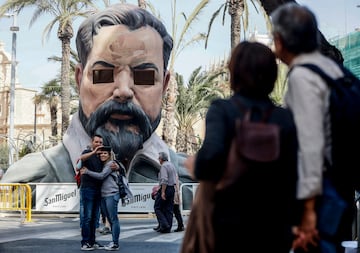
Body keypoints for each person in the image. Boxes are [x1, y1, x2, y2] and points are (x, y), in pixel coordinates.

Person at [0, 3, 194, 207]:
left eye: (144, 76)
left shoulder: (196, 182)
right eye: (103, 74)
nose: (123, 91)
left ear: (164, 85)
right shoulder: (28, 182)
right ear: (79, 79)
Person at [182, 41, 298, 253]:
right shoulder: (285, 119)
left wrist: (195, 164)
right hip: (275, 228)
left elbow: (210, 160)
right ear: (272, 75)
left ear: (234, 72)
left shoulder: (223, 111)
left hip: (228, 226)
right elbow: (295, 174)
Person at [270, 3, 356, 253]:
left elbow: (311, 145)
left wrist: (307, 210)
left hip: (322, 193)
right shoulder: (334, 70)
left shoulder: (303, 75)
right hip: (343, 185)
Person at [81, 146, 125, 251]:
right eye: (101, 153)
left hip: (111, 194)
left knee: (113, 219)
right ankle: (113, 242)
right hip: (104, 195)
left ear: (109, 155)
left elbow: (101, 176)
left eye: (105, 153)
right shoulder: (104, 164)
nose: (103, 155)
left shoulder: (111, 164)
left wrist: (87, 172)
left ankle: (115, 243)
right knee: (109, 219)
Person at [77, 134, 106, 250]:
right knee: (87, 217)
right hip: (87, 189)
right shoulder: (87, 152)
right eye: (96, 142)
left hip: (98, 189)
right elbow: (81, 158)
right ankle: (85, 242)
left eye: (100, 142)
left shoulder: (101, 157)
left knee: (95, 218)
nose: (98, 144)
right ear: (92, 142)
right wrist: (94, 152)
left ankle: (92, 241)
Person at [153, 152, 177, 233]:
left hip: (166, 188)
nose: (158, 160)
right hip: (172, 188)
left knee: (157, 207)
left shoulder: (164, 166)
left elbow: (164, 180)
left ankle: (164, 224)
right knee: (169, 209)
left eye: (159, 158)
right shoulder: (171, 165)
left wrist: (163, 192)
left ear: (161, 159)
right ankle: (168, 228)